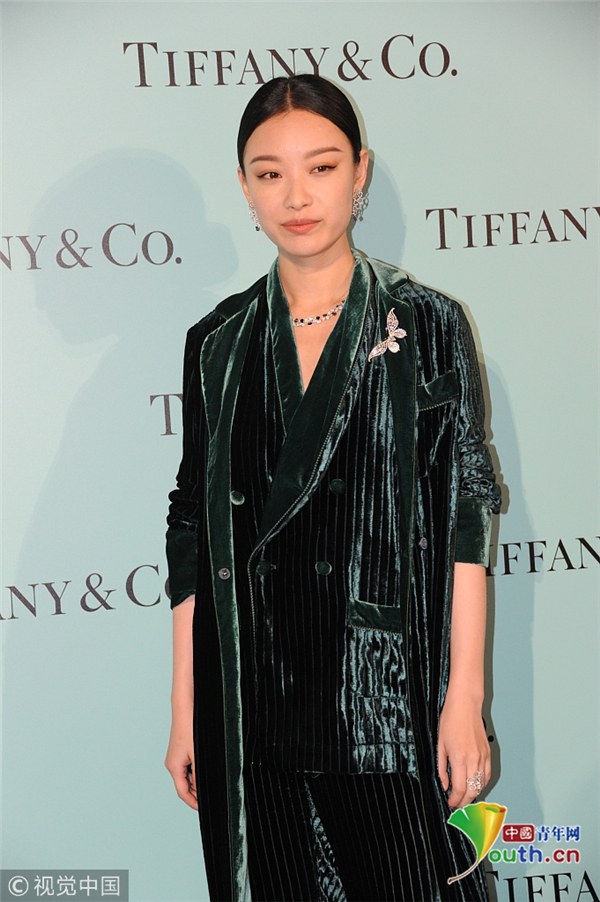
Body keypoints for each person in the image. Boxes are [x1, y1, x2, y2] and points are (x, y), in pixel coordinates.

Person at [164, 74, 501, 902]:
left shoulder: (426, 322)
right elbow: (191, 529)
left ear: (360, 172)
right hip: (251, 699)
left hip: (383, 692)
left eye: (320, 167)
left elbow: (466, 512)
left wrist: (465, 697)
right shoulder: (217, 343)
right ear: (243, 187)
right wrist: (187, 710)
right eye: (269, 173)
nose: (295, 195)